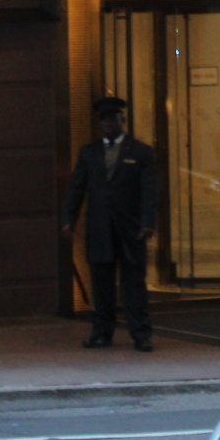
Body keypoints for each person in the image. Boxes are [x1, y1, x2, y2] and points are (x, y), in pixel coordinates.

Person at [62, 96, 158, 352]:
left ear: (121, 120)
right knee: (101, 285)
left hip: (131, 230)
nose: (108, 124)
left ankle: (141, 334)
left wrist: (148, 222)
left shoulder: (140, 152)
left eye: (112, 119)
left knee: (134, 284)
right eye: (103, 120)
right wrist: (68, 219)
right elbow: (77, 188)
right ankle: (101, 332)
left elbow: (149, 191)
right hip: (101, 229)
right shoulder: (89, 153)